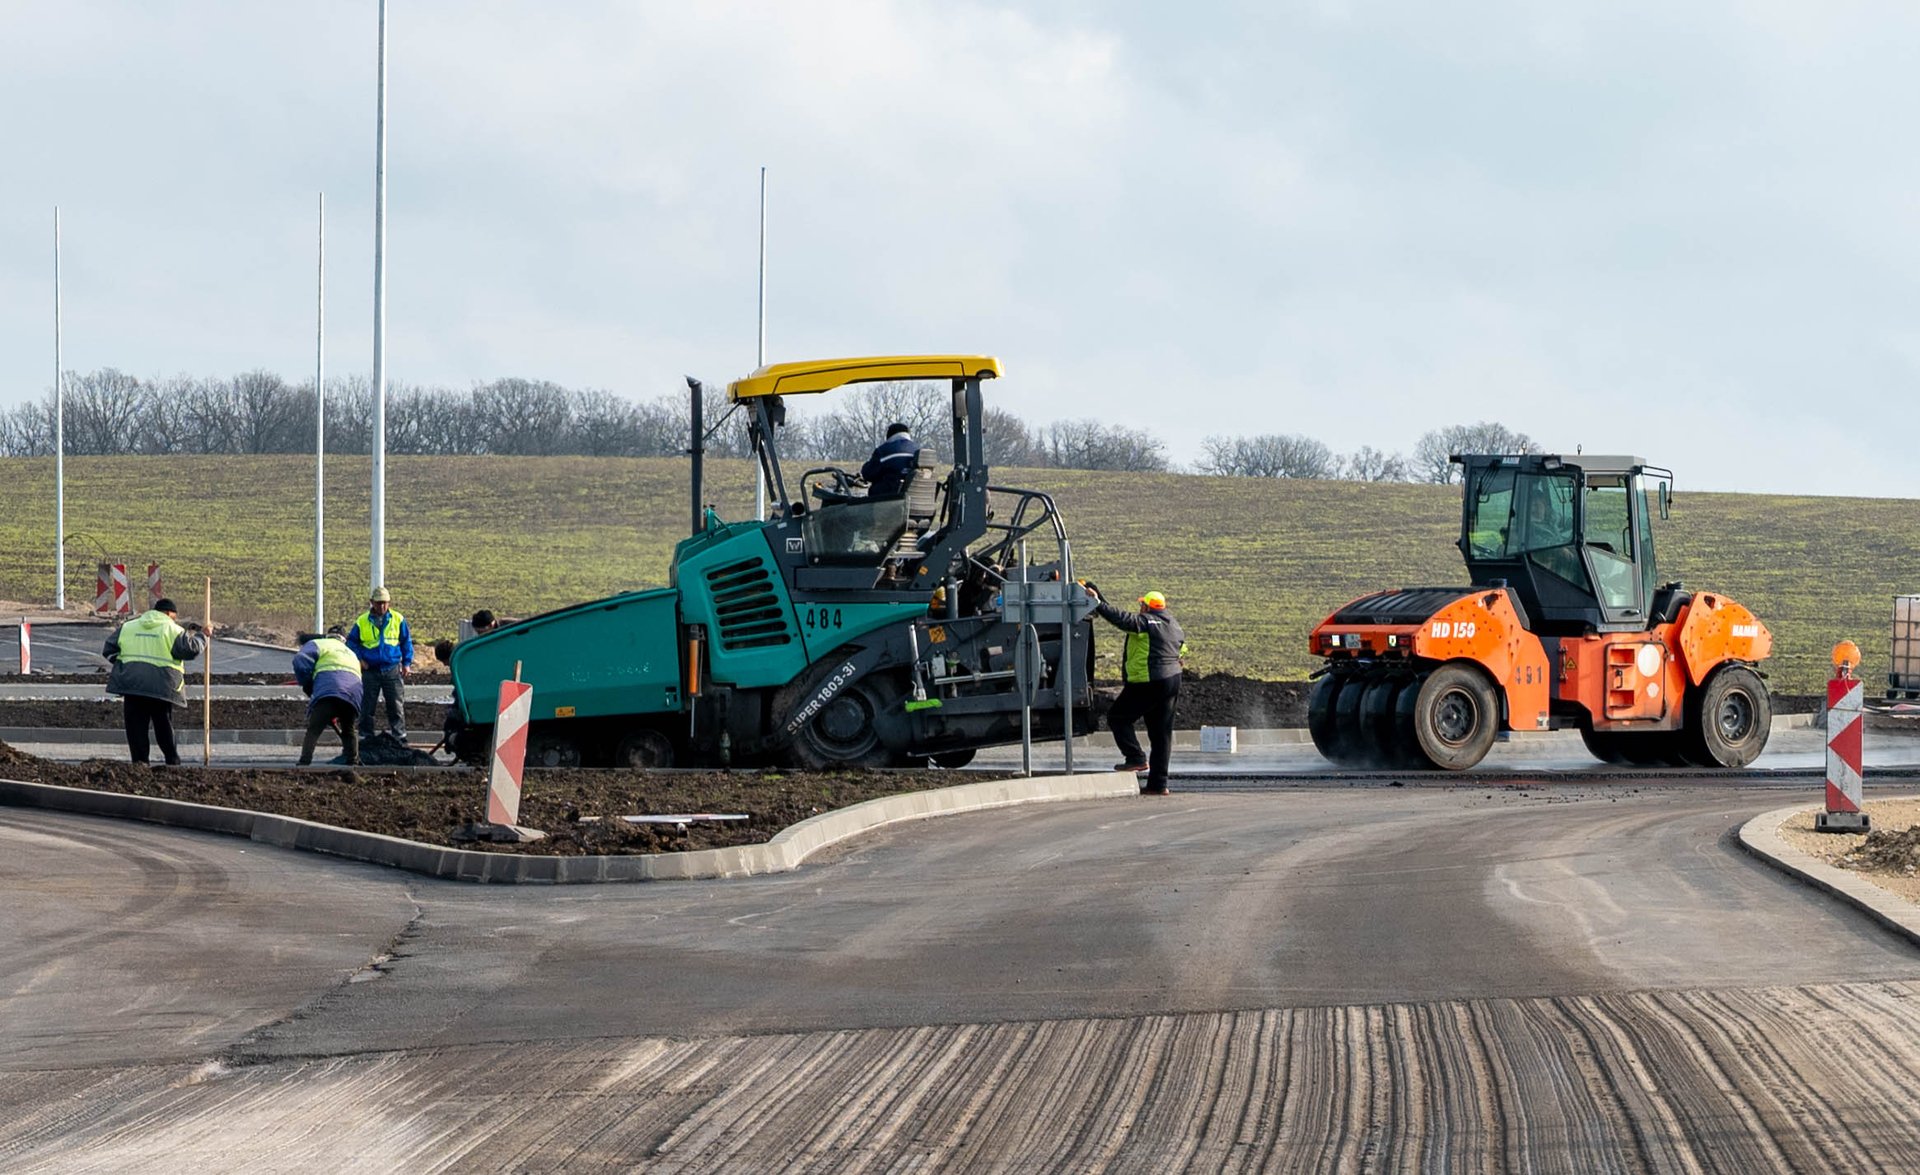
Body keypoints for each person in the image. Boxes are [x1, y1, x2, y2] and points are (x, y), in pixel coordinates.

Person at [1088, 586, 1187, 795]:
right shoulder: (1174, 625)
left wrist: (1097, 604)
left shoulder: (1146, 622)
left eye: (1141, 604)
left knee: (1118, 717)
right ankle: (1158, 785)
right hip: (1173, 680)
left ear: (1146, 606)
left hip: (1149, 680)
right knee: (1161, 735)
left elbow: (1123, 619)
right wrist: (1099, 599)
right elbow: (1182, 649)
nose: (1139, 607)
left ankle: (1135, 758)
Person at [102, 597, 206, 766]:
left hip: (132, 685)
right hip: (161, 687)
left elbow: (109, 650)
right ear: (168, 613)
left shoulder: (129, 626)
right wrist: (203, 636)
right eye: (173, 616)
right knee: (163, 725)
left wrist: (127, 667)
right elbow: (190, 650)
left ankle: (140, 764)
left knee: (136, 728)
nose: (174, 619)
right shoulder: (172, 629)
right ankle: (172, 761)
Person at [347, 586, 413, 744]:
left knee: (395, 705)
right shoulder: (362, 621)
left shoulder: (397, 619)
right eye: (378, 603)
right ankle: (365, 737)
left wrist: (407, 663)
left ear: (389, 603)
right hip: (370, 669)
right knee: (367, 706)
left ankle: (399, 737)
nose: (382, 606)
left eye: (385, 603)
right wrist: (360, 659)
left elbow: (406, 642)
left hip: (391, 668)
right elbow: (351, 642)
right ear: (372, 603)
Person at [293, 625, 363, 766]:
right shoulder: (351, 653)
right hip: (352, 694)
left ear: (328, 635)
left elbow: (300, 660)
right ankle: (353, 761)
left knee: (314, 729)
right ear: (344, 639)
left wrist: (307, 683)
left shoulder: (319, 643)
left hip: (328, 692)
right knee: (349, 729)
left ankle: (305, 762)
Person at [861, 422, 921, 498]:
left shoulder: (884, 451)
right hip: (919, 502)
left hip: (889, 502)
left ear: (889, 436)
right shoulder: (918, 450)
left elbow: (868, 474)